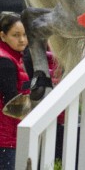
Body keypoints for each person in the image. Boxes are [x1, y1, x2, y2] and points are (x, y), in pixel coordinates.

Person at [0, 13, 29, 170]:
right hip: (5, 138)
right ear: (3, 36)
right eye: (16, 35)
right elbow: (12, 102)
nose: (22, 40)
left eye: (25, 34)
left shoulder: (14, 58)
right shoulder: (5, 62)